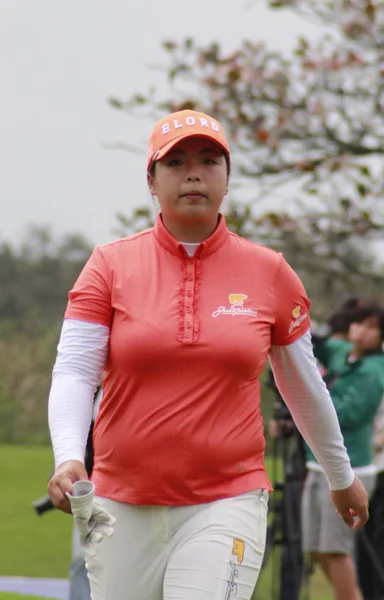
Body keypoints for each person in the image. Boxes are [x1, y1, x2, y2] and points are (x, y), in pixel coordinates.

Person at [47, 109, 369, 600]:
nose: (193, 173)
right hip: (120, 502)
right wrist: (69, 456)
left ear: (226, 177)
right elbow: (74, 370)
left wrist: (339, 475)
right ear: (151, 181)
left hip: (228, 498)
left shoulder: (270, 272)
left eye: (208, 160)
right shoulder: (108, 266)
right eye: (175, 162)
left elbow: (303, 384)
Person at [301, 302, 384, 600]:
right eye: (360, 322)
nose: (363, 331)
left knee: (336, 551)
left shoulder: (376, 369)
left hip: (350, 471)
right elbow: (316, 344)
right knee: (315, 549)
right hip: (316, 464)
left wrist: (310, 396)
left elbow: (346, 414)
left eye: (373, 327)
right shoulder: (343, 351)